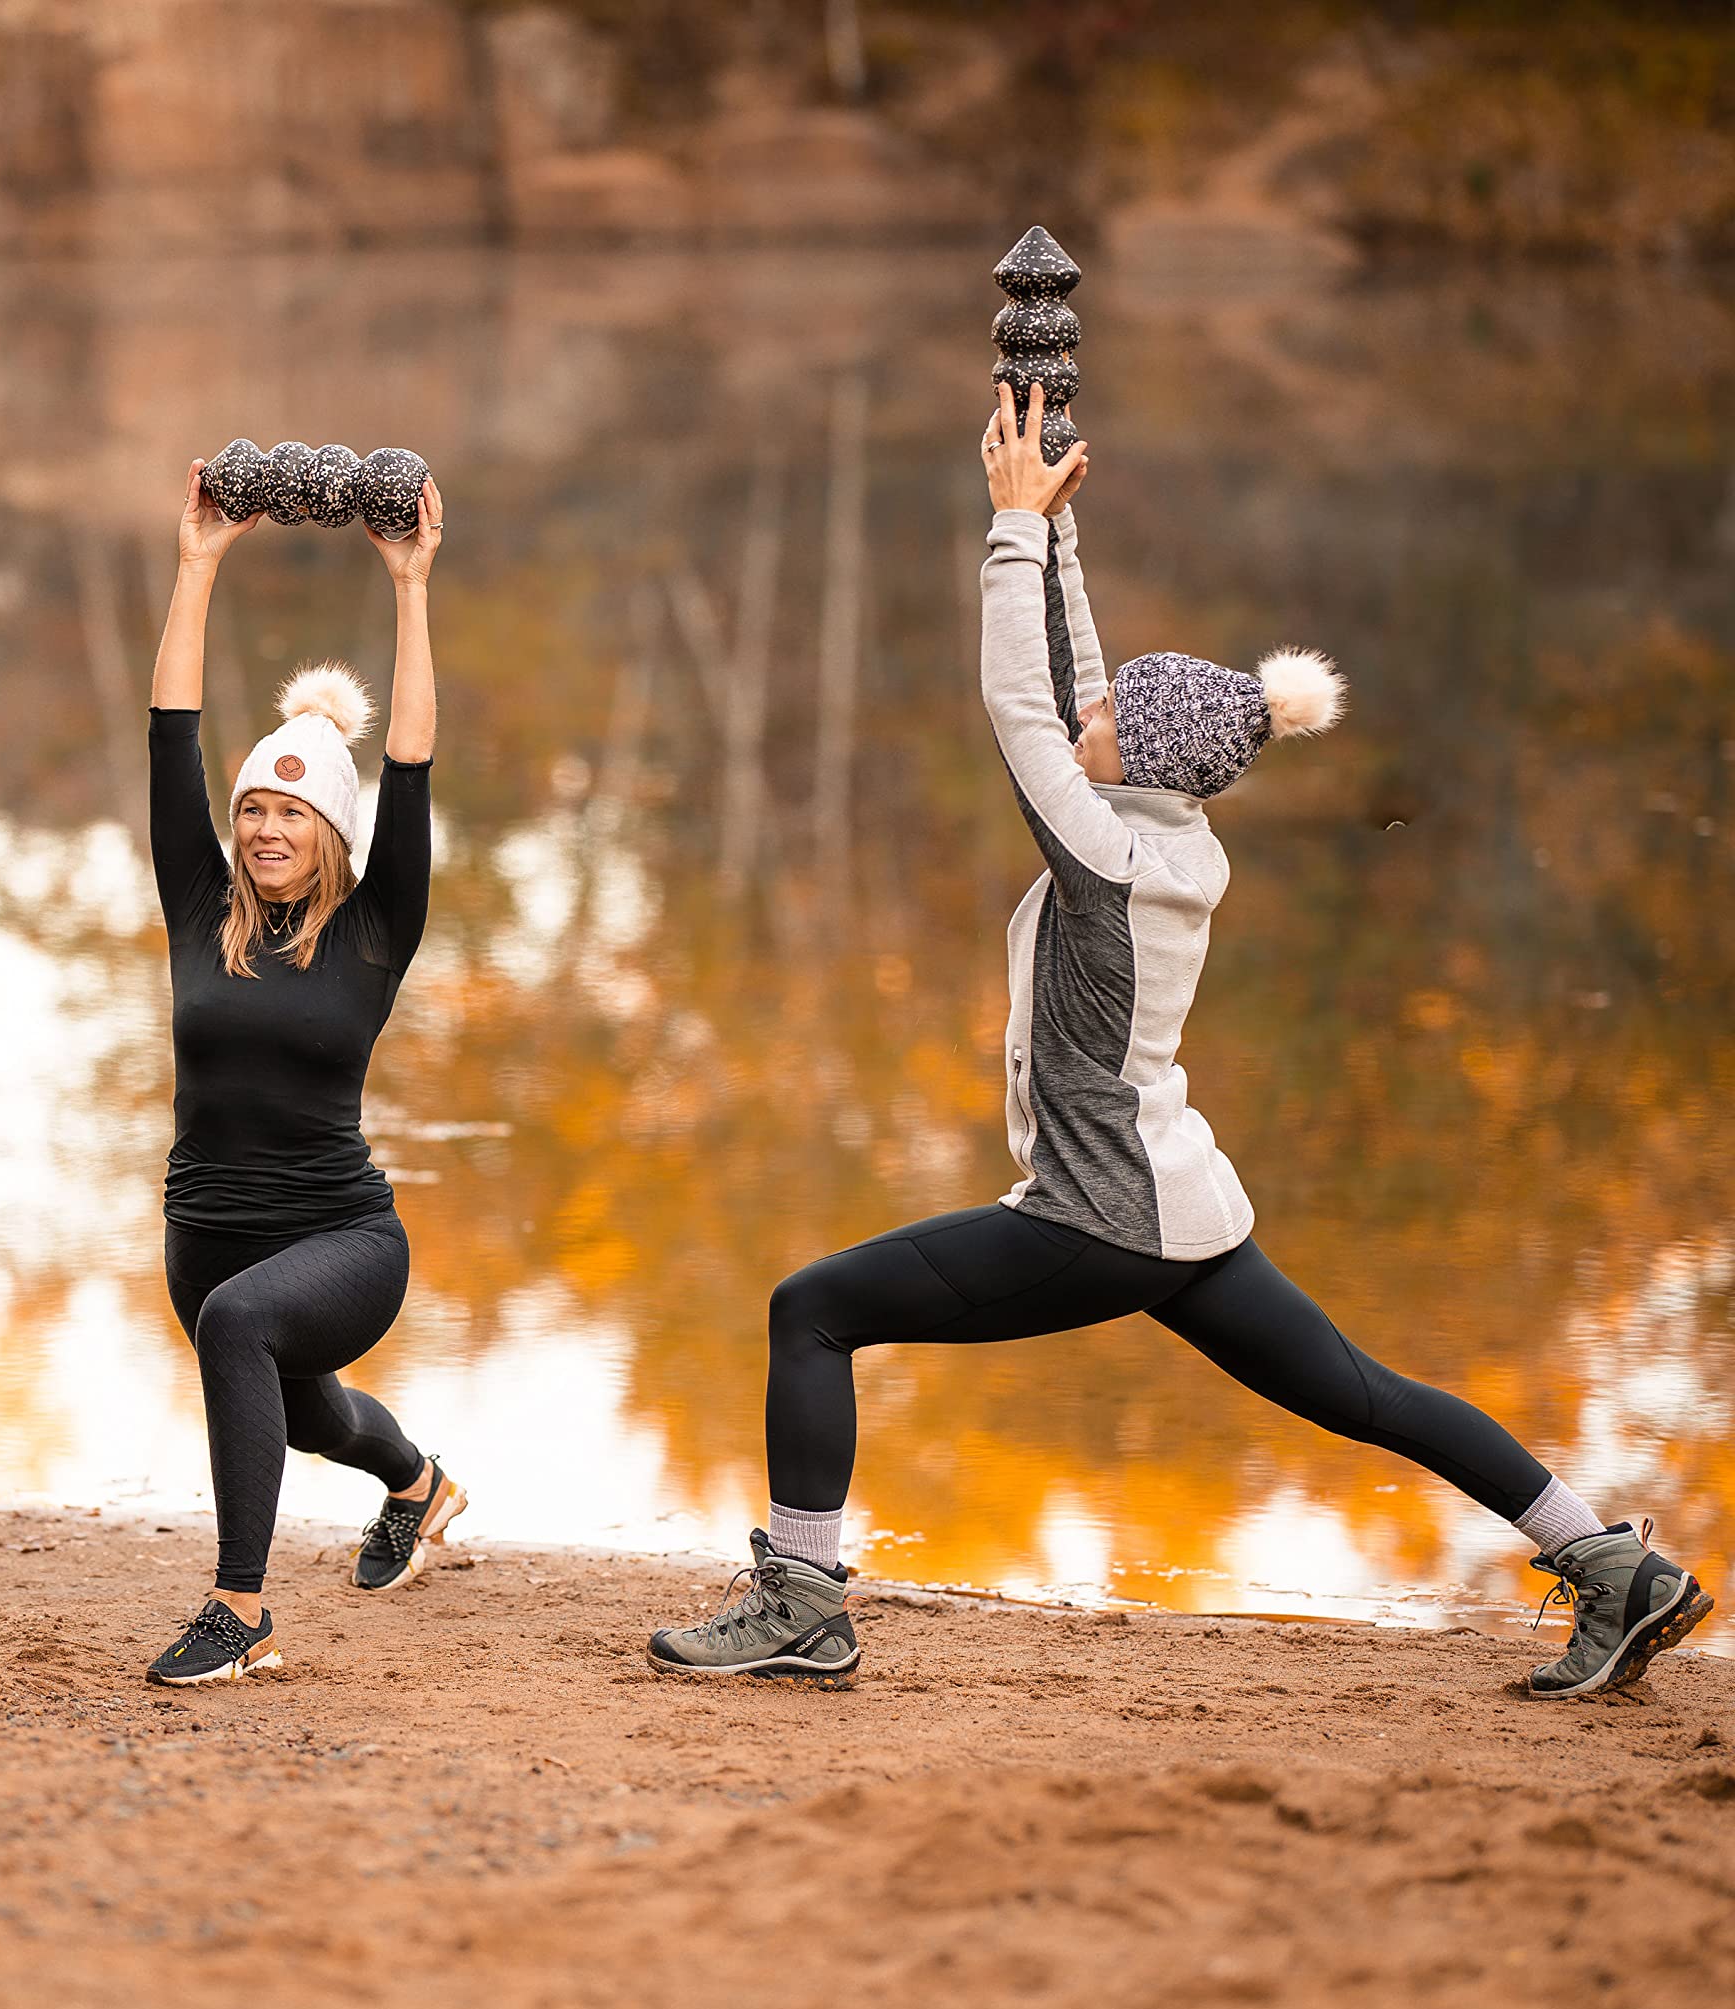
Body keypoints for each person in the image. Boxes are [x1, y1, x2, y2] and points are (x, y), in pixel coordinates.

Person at [645, 383, 1712, 1702]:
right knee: (1364, 1396)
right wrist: (1064, 539)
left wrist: (1008, 531)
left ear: (1138, 760)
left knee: (811, 1312)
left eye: (1108, 726)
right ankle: (1613, 1567)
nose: (1088, 721)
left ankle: (802, 1604)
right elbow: (1090, 698)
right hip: (1183, 1206)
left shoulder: (1101, 859)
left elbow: (1020, 711)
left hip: (1096, 1222)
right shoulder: (1172, 834)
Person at [139, 457, 465, 1686]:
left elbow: (418, 763)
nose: (266, 831)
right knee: (312, 1415)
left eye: (292, 814)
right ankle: (419, 1484)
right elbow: (172, 733)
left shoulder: (377, 931)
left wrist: (412, 586)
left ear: (330, 827)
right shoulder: (194, 906)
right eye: (252, 813)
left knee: (244, 1327)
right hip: (204, 1231)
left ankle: (242, 1608)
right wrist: (199, 562)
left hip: (341, 1238)